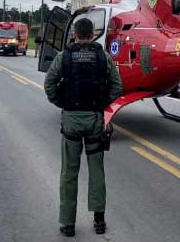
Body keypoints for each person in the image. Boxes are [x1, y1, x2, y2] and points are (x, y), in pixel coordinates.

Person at [44, 18, 122, 237]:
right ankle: (99, 221)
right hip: (95, 119)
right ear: (92, 34)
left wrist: (63, 103)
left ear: (75, 34)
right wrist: (101, 104)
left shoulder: (63, 57)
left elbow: (49, 85)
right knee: (97, 170)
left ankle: (68, 224)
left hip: (71, 119)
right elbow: (117, 86)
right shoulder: (103, 57)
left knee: (69, 172)